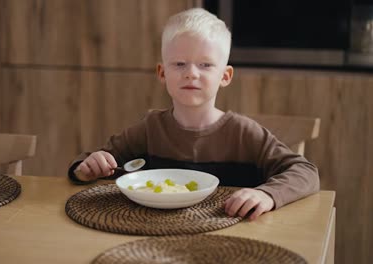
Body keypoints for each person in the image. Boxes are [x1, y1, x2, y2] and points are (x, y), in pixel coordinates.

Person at [67, 8, 319, 220]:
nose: (191, 73)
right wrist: (86, 169)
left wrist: (267, 194)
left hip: (230, 239)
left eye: (205, 65)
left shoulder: (244, 133)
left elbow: (305, 172)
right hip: (153, 233)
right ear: (162, 73)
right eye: (179, 64)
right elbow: (91, 163)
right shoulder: (150, 128)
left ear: (225, 76)